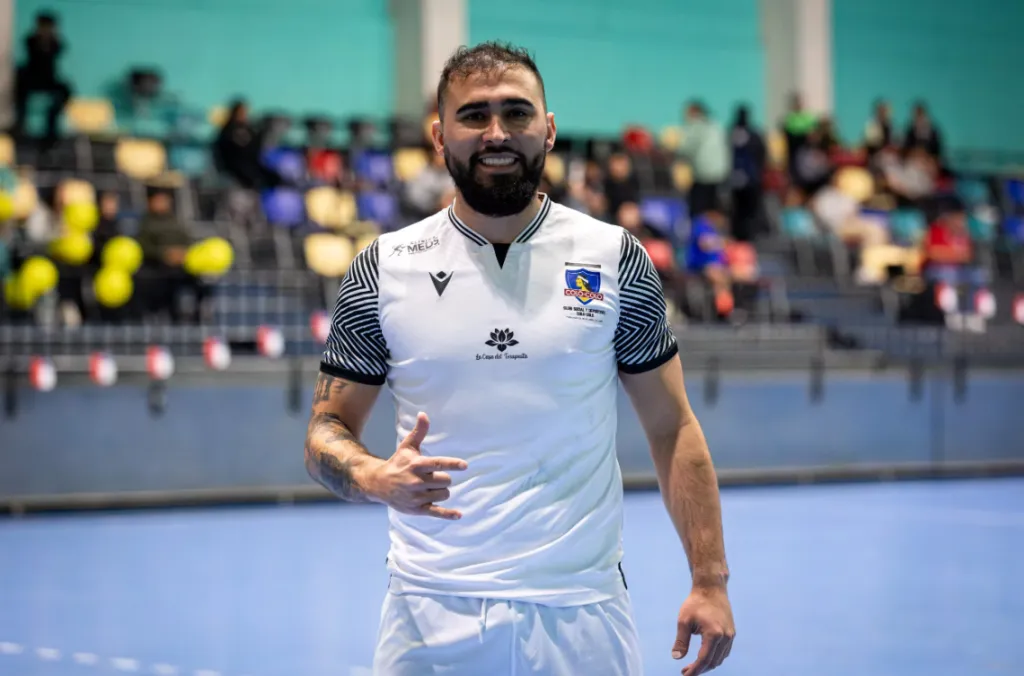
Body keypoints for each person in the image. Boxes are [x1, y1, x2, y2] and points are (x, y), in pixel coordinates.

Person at [304, 42, 735, 676]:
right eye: (474, 115)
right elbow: (324, 430)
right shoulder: (384, 267)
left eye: (517, 113)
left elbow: (673, 429)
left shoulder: (615, 259)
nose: (497, 133)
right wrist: (372, 476)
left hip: (582, 611)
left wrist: (710, 579)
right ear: (439, 135)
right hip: (429, 610)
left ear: (550, 129)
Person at [12, 12, 73, 145]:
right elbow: (34, 52)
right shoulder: (31, 40)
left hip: (49, 80)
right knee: (20, 82)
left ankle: (51, 127)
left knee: (65, 90)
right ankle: (20, 123)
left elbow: (58, 50)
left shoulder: (55, 43)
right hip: (32, 78)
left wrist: (50, 39)